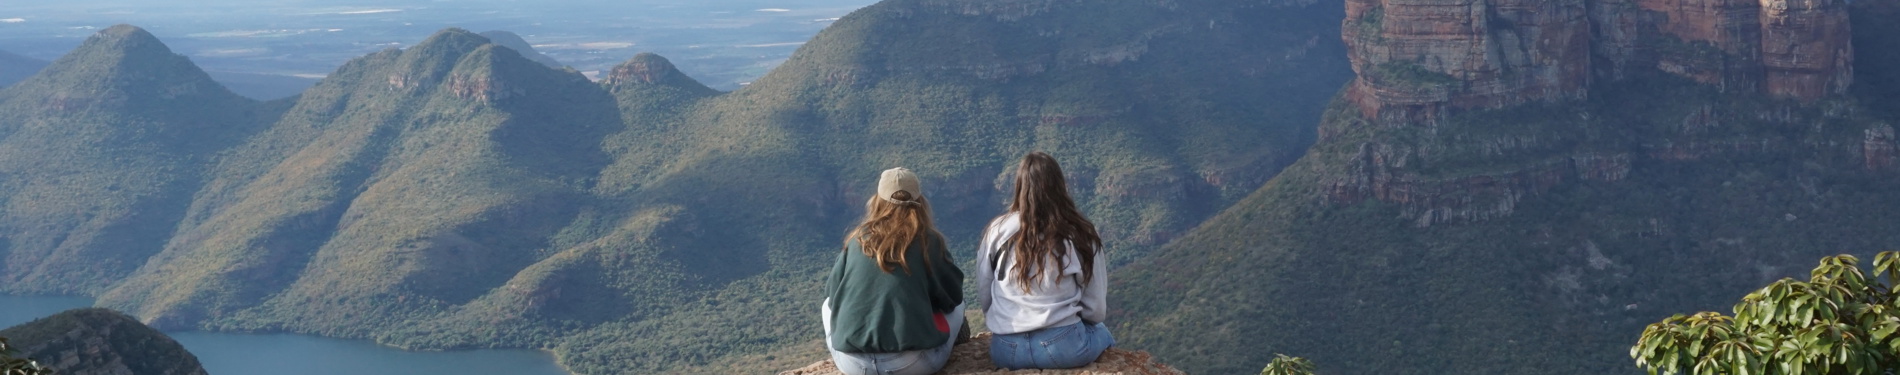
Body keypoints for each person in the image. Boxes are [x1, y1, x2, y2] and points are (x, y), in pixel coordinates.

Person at [977, 151, 1113, 369]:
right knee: (1103, 333)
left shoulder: (997, 230)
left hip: (1006, 349)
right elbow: (1096, 310)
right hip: (1063, 347)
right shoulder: (1079, 232)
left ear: (1019, 186)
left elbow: (985, 292)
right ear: (1060, 186)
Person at [824, 167, 966, 375]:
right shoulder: (929, 241)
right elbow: (953, 296)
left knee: (826, 306)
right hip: (911, 365)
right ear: (920, 202)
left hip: (854, 365)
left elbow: (833, 297)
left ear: (877, 200)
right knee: (960, 306)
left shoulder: (857, 240)